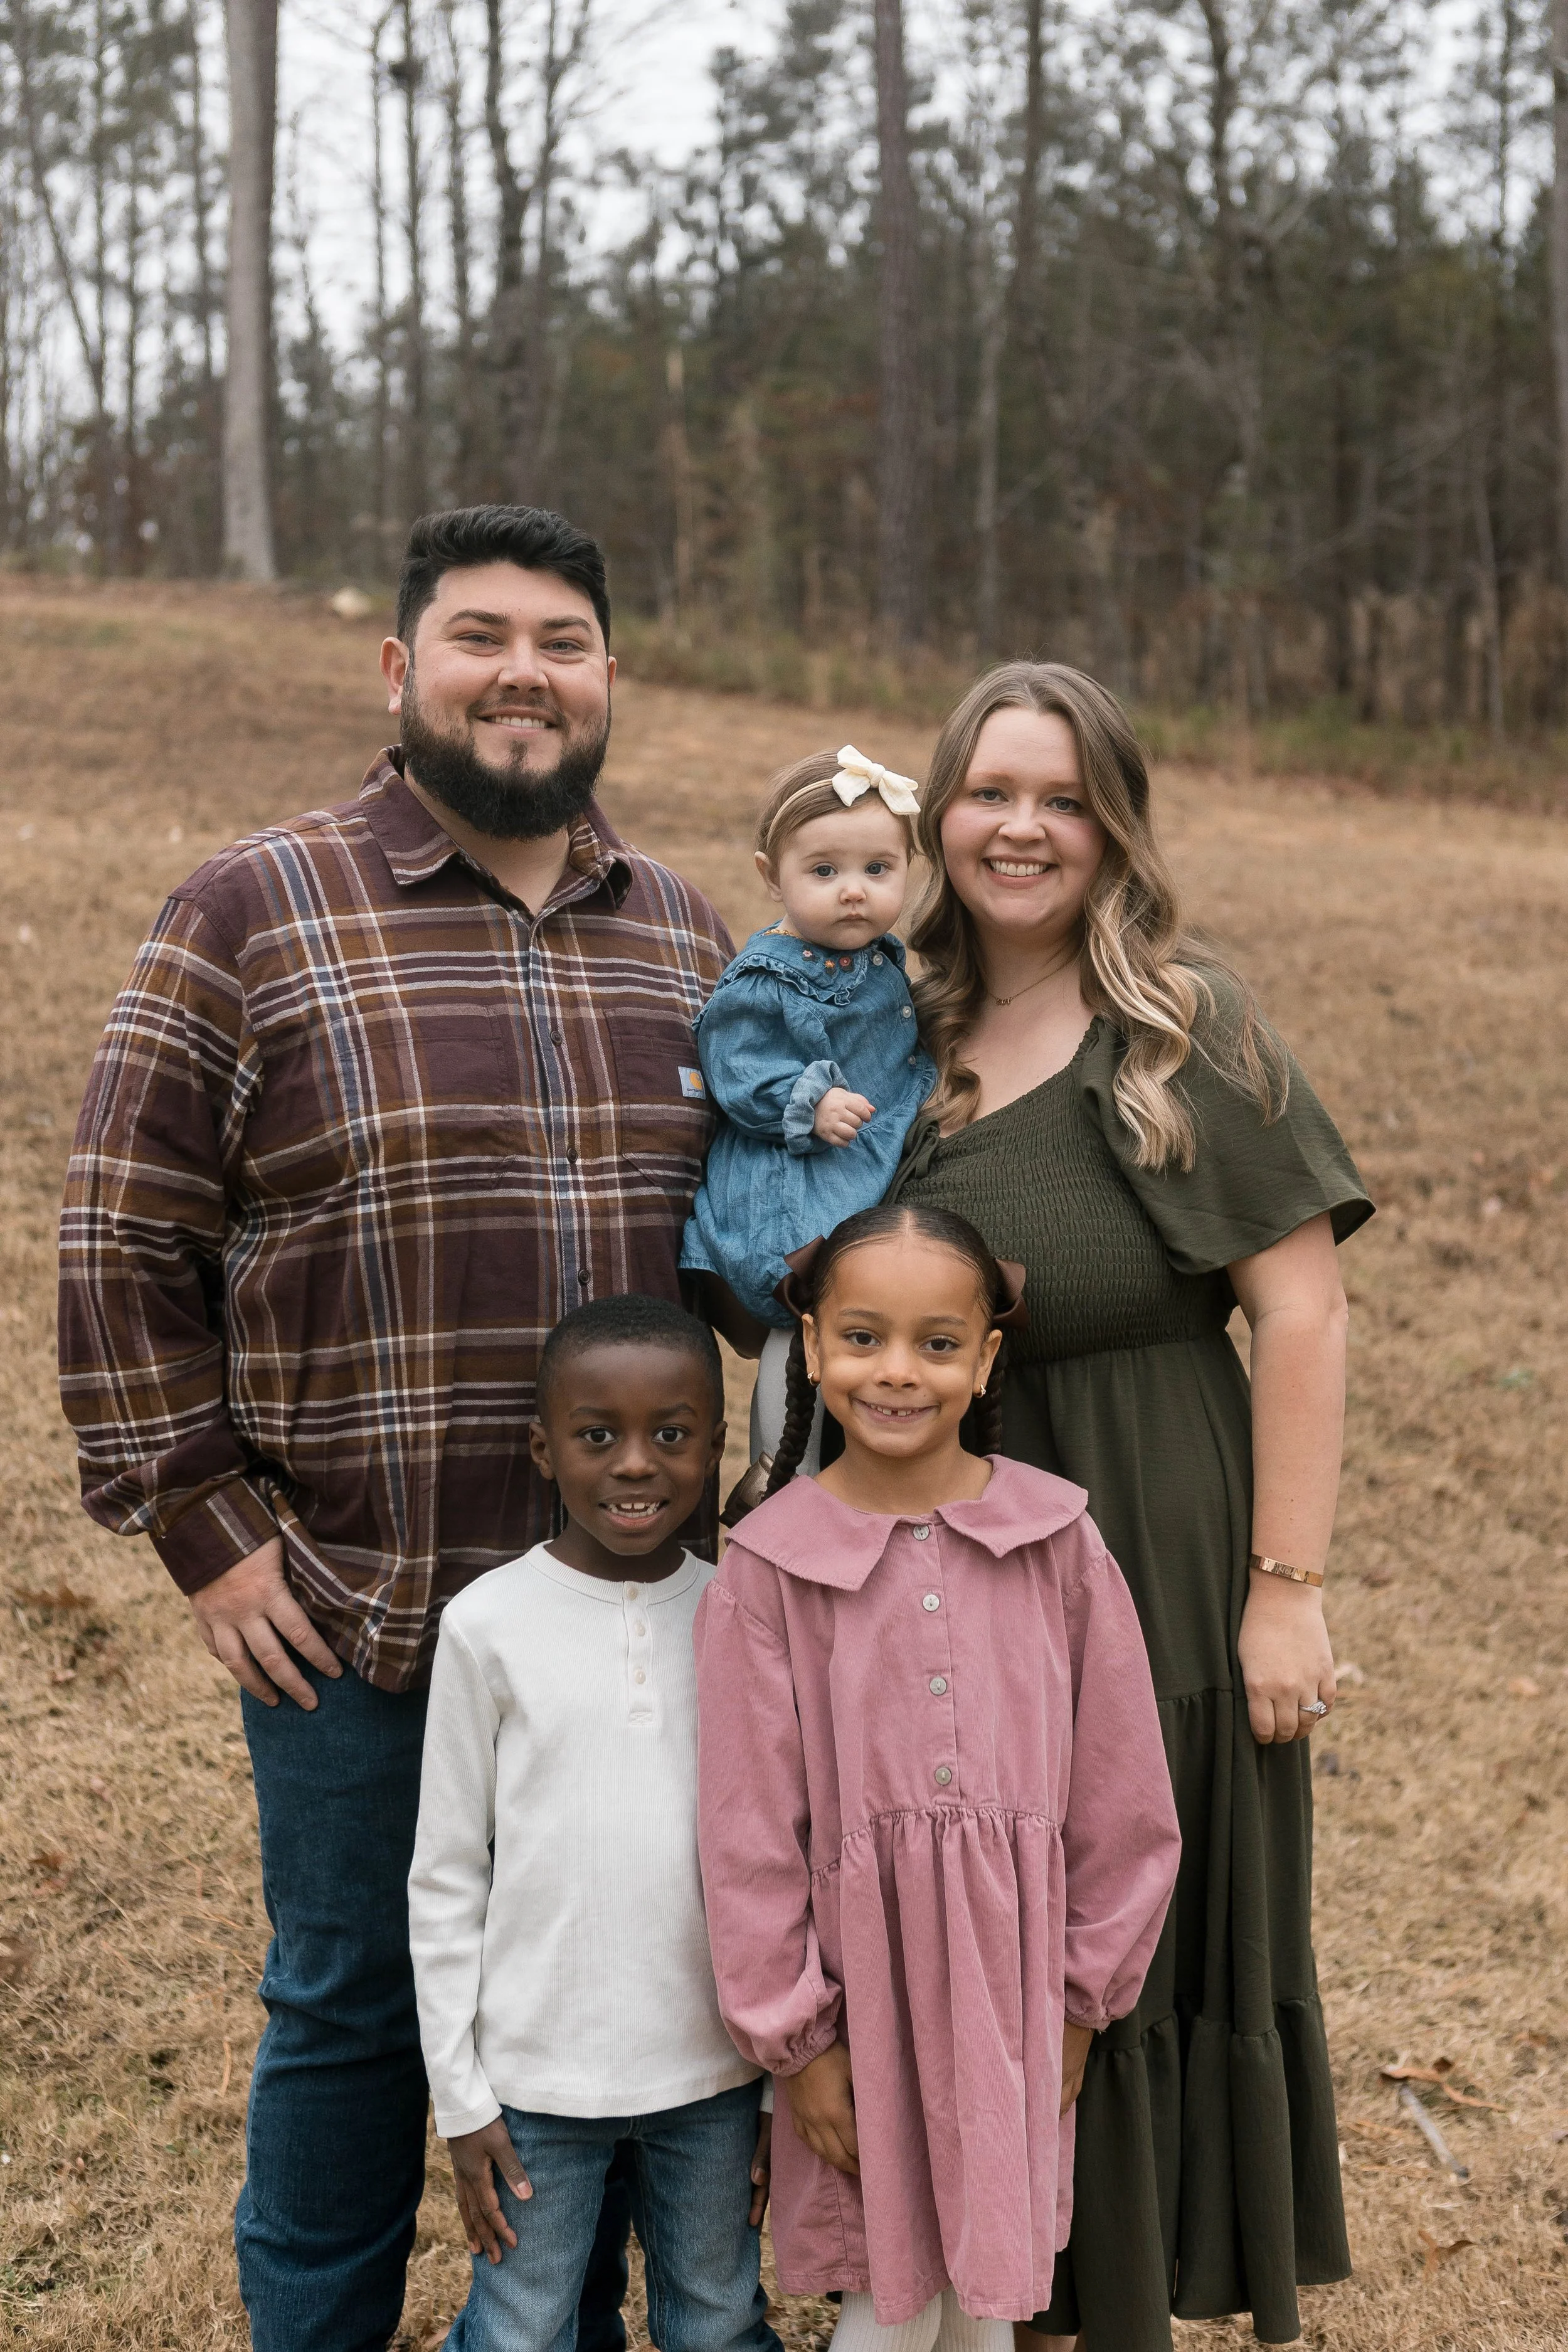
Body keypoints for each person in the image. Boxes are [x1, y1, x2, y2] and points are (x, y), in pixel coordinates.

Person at [56, 504, 733, 2352]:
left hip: (631, 1631)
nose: (523, 670)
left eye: (563, 639)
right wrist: (200, 1522)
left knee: (618, 2010)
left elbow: (753, 1254)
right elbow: (121, 1237)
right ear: (399, 668)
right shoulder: (251, 906)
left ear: (608, 677)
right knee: (356, 2009)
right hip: (366, 1607)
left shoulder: (684, 933)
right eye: (479, 633)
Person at [889, 662, 1373, 2349]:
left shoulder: (1178, 1027)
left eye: (1062, 795)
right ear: (935, 812)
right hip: (924, 1561)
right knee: (956, 1928)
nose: (1020, 827)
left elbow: (1300, 1310)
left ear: (1112, 826)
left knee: (1113, 1940)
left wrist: (1283, 1586)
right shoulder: (878, 1028)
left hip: (1140, 1544)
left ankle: (1103, 2297)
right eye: (989, 790)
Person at [694, 1203, 1182, 2352]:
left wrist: (1080, 2004)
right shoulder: (769, 1573)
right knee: (888, 2299)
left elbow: (1125, 1803)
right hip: (863, 1995)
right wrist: (798, 2046)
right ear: (810, 1347)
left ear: (986, 1359)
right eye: (862, 1338)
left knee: (983, 2301)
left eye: (936, 1343)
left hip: (1014, 1993)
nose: (897, 1372)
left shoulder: (1060, 1541)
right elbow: (747, 1834)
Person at [409, 1293, 780, 2352]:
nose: (634, 1464)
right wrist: (462, 2098)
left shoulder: (742, 1616)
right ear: (543, 1448)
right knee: (521, 2329)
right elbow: (443, 1877)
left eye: (671, 1436)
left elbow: (784, 1861)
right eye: (597, 1435)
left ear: (714, 1444)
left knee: (715, 2320)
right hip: (533, 2085)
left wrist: (776, 2090)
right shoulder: (486, 1627)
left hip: (715, 2071)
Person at [680, 746, 936, 1484]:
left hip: (856, 1156)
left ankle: (849, 1458)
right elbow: (734, 1067)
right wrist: (807, 1099)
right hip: (792, 1171)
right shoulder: (766, 978)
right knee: (807, 1312)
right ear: (772, 876)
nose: (852, 893)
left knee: (862, 1310)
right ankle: (779, 1462)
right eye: (824, 872)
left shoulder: (879, 959)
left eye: (877, 871)